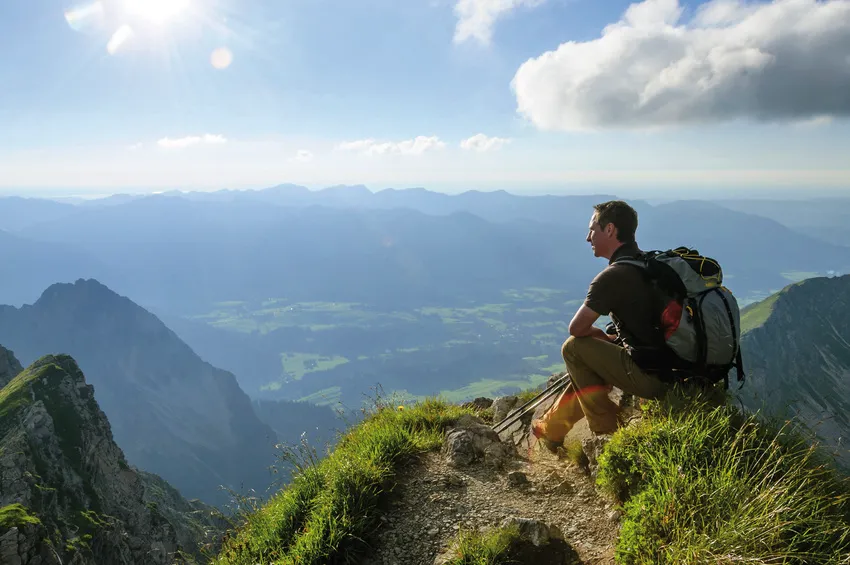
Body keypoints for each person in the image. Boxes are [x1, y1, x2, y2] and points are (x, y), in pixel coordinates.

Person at [532, 200, 672, 450]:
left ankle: (608, 431)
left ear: (610, 230)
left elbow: (576, 329)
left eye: (592, 230)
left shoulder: (613, 276)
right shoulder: (647, 264)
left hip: (653, 378)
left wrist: (599, 337)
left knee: (574, 348)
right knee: (590, 353)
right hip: (675, 370)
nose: (588, 238)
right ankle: (553, 427)